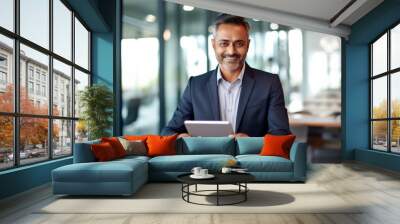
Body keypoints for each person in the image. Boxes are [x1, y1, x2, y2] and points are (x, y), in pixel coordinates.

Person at [162, 14, 290, 138]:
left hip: (251, 159)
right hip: (207, 159)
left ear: (248, 45)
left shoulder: (269, 83)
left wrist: (251, 143)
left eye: (239, 44)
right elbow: (169, 131)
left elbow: (281, 135)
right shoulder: (195, 85)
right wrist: (181, 137)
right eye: (224, 43)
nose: (231, 51)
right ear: (213, 44)